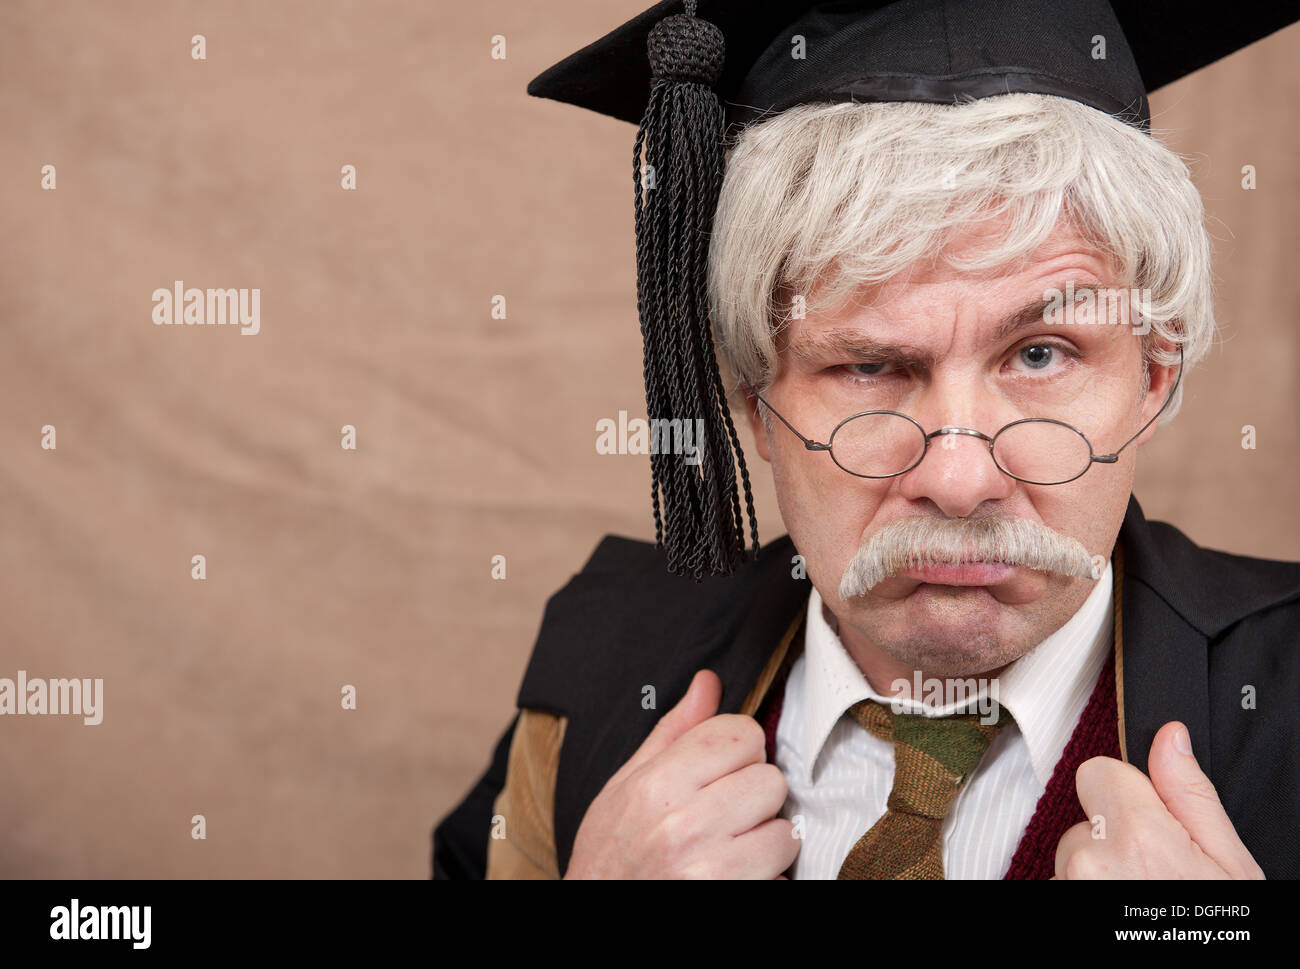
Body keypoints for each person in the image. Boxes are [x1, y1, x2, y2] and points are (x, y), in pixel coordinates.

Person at [433, 0, 1300, 879]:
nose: (959, 479)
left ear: (1153, 376)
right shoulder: (597, 693)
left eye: (1041, 354)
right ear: (753, 398)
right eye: (870, 369)